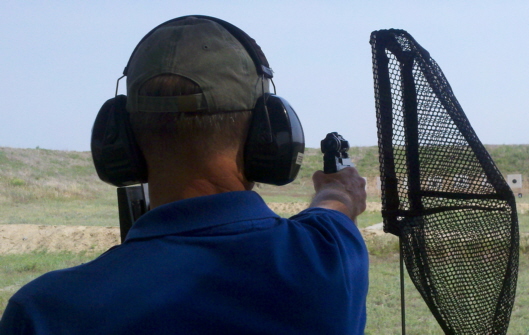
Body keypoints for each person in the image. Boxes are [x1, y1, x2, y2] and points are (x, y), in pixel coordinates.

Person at [0, 16, 369, 334]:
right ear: (268, 137)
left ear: (119, 141)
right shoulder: (329, 259)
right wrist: (340, 188)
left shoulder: (42, 312)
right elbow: (333, 208)